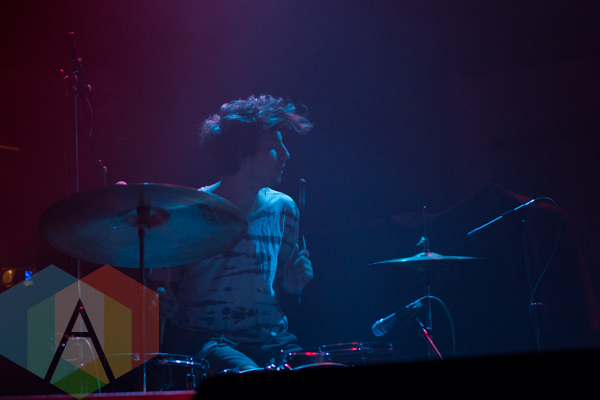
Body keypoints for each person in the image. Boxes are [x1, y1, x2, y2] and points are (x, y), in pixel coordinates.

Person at [151, 95, 313, 372]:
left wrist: (291, 284)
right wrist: (159, 302)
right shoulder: (190, 212)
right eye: (273, 147)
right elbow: (159, 291)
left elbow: (284, 290)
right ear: (241, 153)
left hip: (273, 340)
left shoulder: (284, 209)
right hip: (208, 341)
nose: (286, 154)